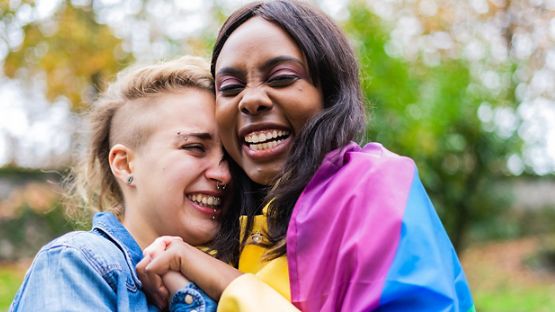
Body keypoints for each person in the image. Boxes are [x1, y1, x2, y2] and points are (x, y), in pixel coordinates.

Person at [138, 1, 476, 311]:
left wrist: (227, 283)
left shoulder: (375, 185)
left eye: (282, 78)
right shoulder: (226, 222)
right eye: (229, 87)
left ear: (329, 93)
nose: (250, 99)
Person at [10, 56, 237, 311]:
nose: (224, 174)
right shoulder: (76, 264)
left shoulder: (233, 276)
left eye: (230, 156)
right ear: (125, 164)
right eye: (195, 147)